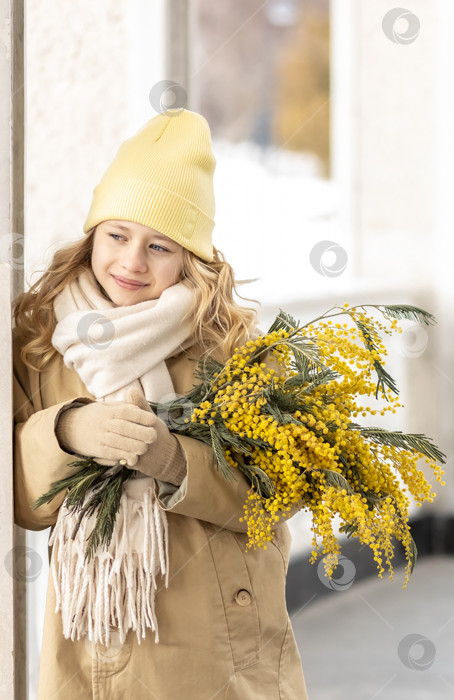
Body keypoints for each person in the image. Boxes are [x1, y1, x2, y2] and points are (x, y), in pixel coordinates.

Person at [12, 108, 309, 699]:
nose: (131, 262)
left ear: (190, 258)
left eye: (160, 246)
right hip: (100, 632)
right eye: (116, 235)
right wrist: (67, 432)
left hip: (217, 629)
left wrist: (176, 463)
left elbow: (285, 488)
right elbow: (19, 498)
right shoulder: (43, 343)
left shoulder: (235, 348)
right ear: (92, 236)